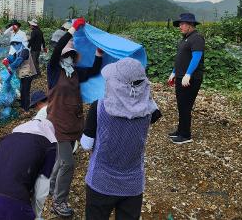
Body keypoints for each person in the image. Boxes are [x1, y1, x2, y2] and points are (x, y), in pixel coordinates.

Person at [81, 58, 162, 220]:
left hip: (100, 181)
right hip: (132, 184)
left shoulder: (99, 107)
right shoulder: (149, 110)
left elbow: (86, 145)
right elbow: (148, 105)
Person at [46, 17, 103, 217]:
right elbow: (57, 48)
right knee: (68, 163)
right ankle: (59, 202)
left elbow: (95, 71)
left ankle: (51, 187)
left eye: (72, 53)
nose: (69, 55)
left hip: (74, 122)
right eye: (67, 53)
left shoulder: (76, 72)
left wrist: (98, 54)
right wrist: (72, 30)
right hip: (58, 122)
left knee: (62, 160)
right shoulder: (53, 70)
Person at [0, 118, 57, 220]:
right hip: (12, 203)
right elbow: (41, 190)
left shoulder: (6, 140)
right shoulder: (49, 147)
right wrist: (36, 215)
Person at [167, 13, 205, 144]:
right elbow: (181, 59)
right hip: (180, 77)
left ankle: (186, 135)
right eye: (180, 24)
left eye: (183, 24)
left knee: (185, 106)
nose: (180, 26)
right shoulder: (184, 39)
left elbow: (196, 57)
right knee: (181, 105)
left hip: (191, 78)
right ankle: (180, 130)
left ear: (191, 25)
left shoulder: (197, 38)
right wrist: (173, 73)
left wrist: (188, 74)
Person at [2, 35, 37, 110]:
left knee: (25, 90)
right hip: (23, 74)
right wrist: (6, 59)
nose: (14, 46)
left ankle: (26, 107)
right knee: (22, 89)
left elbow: (19, 60)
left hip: (28, 74)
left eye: (16, 44)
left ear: (20, 43)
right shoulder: (18, 52)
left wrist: (10, 67)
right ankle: (23, 104)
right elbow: (12, 57)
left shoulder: (25, 51)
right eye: (13, 45)